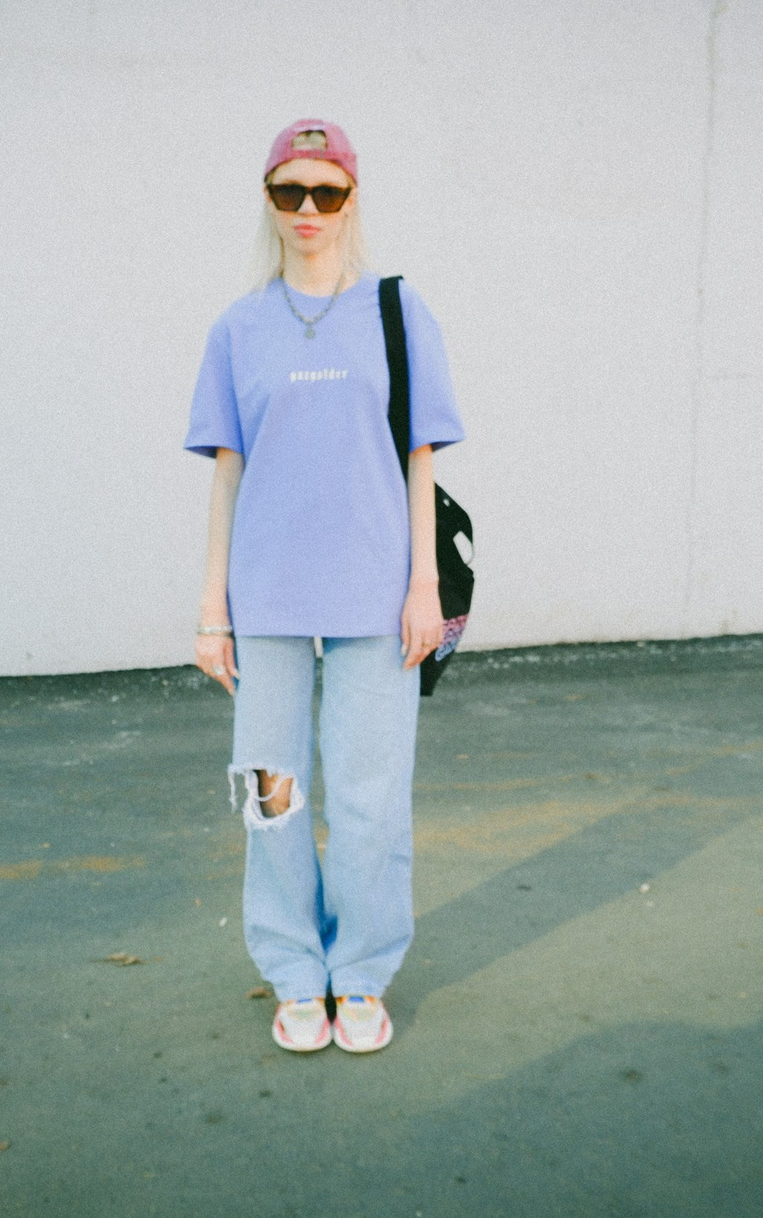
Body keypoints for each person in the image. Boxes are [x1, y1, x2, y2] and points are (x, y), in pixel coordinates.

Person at [183, 119, 465, 1053]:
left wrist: (425, 586)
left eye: (326, 192)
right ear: (269, 200)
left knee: (371, 797)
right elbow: (227, 471)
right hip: (264, 597)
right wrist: (211, 608)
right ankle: (296, 972)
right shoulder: (239, 327)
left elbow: (420, 457)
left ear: (351, 199)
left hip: (376, 594)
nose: (308, 209)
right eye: (288, 191)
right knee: (274, 788)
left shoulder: (397, 311)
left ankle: (362, 972)